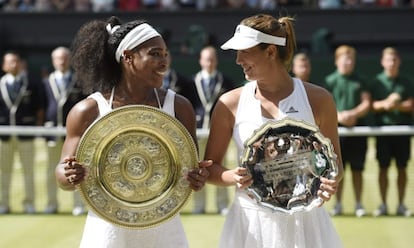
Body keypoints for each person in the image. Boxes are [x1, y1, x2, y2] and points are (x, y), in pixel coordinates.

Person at [54, 16, 211, 247]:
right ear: (128, 57)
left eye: (165, 54)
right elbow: (61, 175)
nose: (164, 61)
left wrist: (198, 178)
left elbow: (190, 172)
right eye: (155, 54)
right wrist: (68, 174)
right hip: (107, 229)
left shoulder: (180, 107)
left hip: (165, 229)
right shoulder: (86, 111)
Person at [204, 14, 344, 247]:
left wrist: (329, 180)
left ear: (270, 51)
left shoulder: (319, 99)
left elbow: (335, 164)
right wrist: (233, 176)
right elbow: (209, 168)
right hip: (249, 224)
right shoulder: (229, 103)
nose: (238, 60)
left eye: (245, 52)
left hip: (306, 222)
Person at [323, 45, 371, 217]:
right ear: (337, 61)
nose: (347, 62)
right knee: (337, 169)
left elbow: (366, 103)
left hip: (358, 130)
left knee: (358, 169)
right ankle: (338, 204)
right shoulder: (329, 81)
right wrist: (339, 116)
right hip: (337, 132)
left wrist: (353, 114)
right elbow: (325, 106)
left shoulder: (361, 79)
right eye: (344, 59)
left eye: (350, 59)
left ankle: (359, 204)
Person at [190, 45, 236, 215]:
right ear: (201, 61)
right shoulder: (192, 82)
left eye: (212, 59)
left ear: (216, 61)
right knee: (197, 168)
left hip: (218, 131)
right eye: (206, 59)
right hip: (198, 130)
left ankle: (222, 204)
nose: (209, 62)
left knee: (219, 167)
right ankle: (199, 206)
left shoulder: (226, 81)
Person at [43, 46, 87, 215]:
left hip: (74, 135)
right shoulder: (46, 82)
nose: (61, 61)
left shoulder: (79, 81)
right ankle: (51, 204)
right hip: (52, 133)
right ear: (53, 61)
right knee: (51, 170)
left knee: (75, 169)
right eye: (58, 58)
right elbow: (42, 106)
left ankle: (78, 205)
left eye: (64, 58)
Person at [0, 51, 45, 214]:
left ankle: (29, 203)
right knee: (3, 172)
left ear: (20, 64)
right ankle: (3, 204)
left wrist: (37, 127)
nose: (13, 64)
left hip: (26, 134)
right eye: (10, 62)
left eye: (16, 61)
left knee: (28, 170)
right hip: (4, 135)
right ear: (4, 66)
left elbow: (39, 108)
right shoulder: (1, 83)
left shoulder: (31, 83)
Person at [371, 47, 413, 217]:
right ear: (383, 62)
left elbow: (411, 104)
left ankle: (401, 205)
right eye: (389, 59)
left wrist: (396, 104)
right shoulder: (376, 82)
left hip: (402, 131)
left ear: (399, 61)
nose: (392, 62)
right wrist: (385, 104)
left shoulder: (406, 81)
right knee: (383, 168)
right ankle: (383, 205)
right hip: (383, 132)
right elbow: (372, 105)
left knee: (402, 168)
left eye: (395, 59)